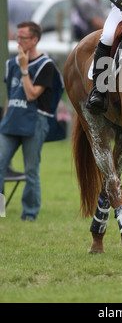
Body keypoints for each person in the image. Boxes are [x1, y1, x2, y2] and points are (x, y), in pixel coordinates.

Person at [0, 22, 64, 221]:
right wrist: (5, 119)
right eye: (17, 37)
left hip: (35, 121)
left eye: (22, 38)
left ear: (34, 40)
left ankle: (29, 214)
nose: (18, 42)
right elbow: (10, 96)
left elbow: (31, 94)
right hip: (12, 122)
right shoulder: (11, 64)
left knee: (31, 171)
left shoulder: (46, 65)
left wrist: (24, 68)